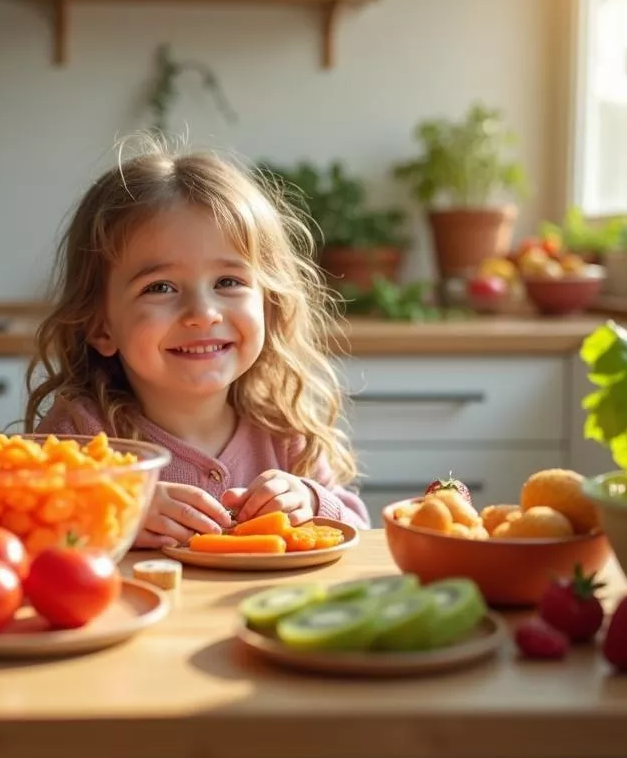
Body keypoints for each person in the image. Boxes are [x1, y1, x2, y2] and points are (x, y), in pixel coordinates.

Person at [24, 136, 371, 549]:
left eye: (228, 282)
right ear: (102, 327)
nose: (203, 312)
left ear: (269, 304)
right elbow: (22, 537)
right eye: (161, 287)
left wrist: (312, 502)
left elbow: (360, 535)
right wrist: (114, 513)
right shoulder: (79, 436)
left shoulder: (285, 432)